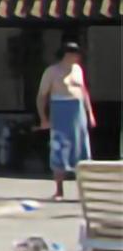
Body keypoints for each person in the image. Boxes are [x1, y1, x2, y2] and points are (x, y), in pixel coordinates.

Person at [36, 40, 96, 201]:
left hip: (78, 111)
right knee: (60, 148)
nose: (78, 57)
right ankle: (59, 190)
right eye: (75, 54)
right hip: (60, 110)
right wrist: (43, 118)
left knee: (81, 149)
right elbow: (42, 96)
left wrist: (90, 113)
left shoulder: (78, 70)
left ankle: (84, 192)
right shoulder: (52, 71)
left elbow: (84, 91)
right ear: (67, 55)